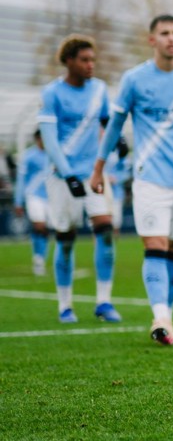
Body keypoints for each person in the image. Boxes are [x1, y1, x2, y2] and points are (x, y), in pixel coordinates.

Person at [91, 14, 173, 346]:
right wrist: (99, 168)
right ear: (152, 40)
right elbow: (115, 128)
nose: (171, 38)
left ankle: (166, 317)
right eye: (164, 33)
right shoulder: (134, 79)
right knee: (155, 244)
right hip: (149, 178)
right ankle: (160, 316)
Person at [37, 34, 120, 324]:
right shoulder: (52, 94)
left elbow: (108, 122)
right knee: (66, 239)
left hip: (94, 173)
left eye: (93, 59)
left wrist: (117, 140)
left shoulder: (99, 90)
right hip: (62, 177)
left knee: (106, 229)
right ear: (69, 61)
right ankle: (65, 306)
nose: (91, 65)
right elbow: (49, 139)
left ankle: (104, 302)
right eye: (84, 60)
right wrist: (68, 173)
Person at [13, 130, 51, 276]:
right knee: (39, 225)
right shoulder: (29, 156)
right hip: (33, 195)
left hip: (50, 197)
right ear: (37, 139)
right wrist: (18, 201)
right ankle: (38, 259)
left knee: (45, 229)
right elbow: (21, 179)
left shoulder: (52, 155)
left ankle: (41, 257)